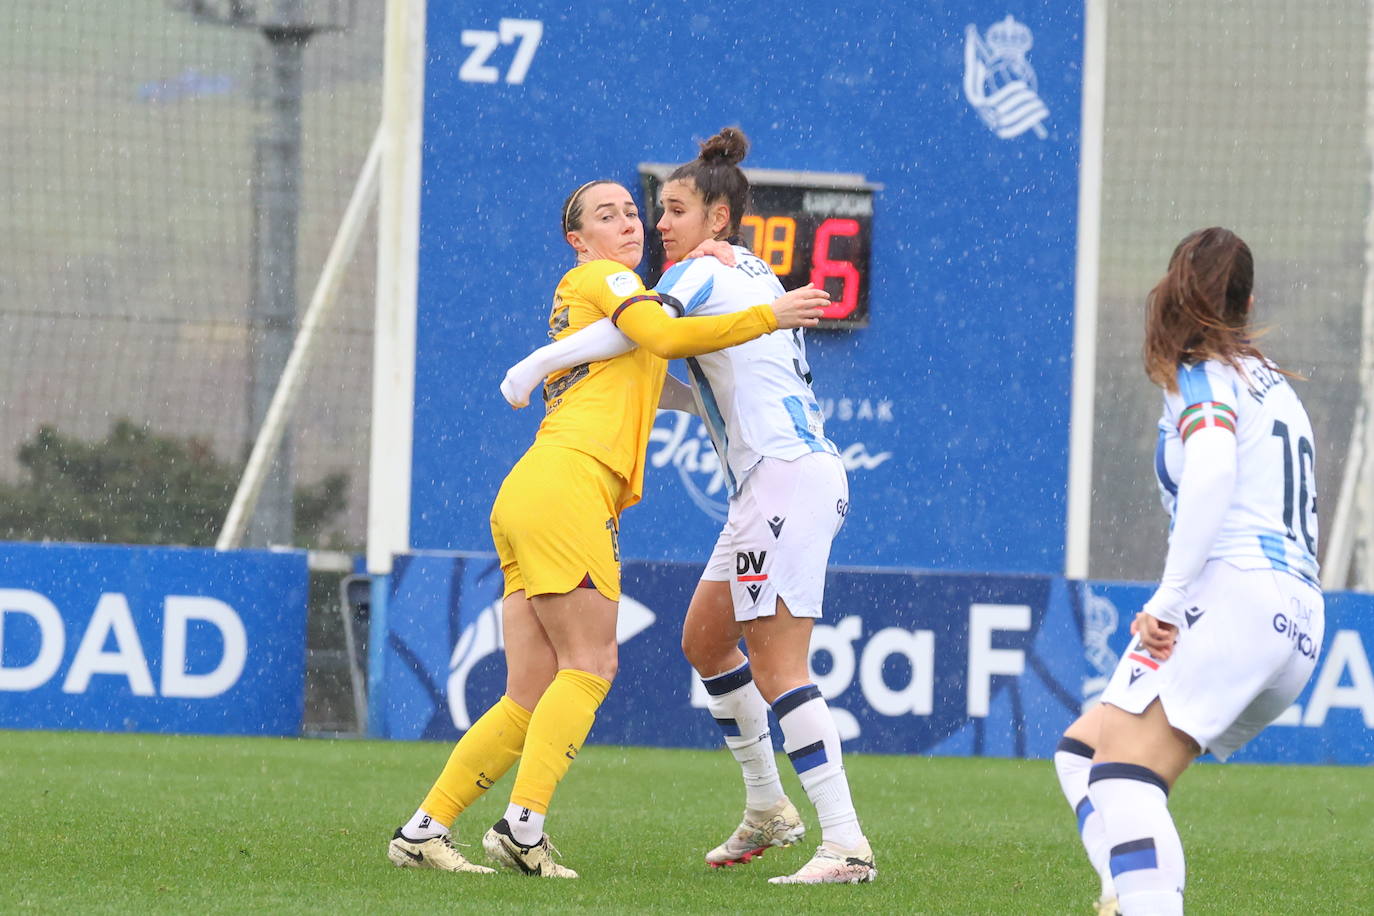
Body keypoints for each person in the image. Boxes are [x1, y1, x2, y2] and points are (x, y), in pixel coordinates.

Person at [385, 179, 830, 878]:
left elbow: (666, 369)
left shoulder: (605, 299)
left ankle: (422, 830)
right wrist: (768, 315)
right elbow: (665, 332)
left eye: (633, 211)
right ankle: (523, 829)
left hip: (531, 490)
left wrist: (539, 363)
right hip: (569, 486)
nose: (629, 221)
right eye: (607, 214)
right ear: (577, 239)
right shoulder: (609, 277)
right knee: (592, 665)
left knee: (527, 694)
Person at [501, 128, 875, 886]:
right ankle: (769, 807)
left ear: (718, 220)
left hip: (785, 478)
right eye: (658, 210)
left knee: (778, 662)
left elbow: (640, 335)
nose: (660, 225)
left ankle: (845, 845)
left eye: (674, 211)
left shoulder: (700, 277)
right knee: (706, 641)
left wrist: (537, 363)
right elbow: (681, 376)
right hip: (769, 484)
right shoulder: (750, 270)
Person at [1051, 227, 1323, 915]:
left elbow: (1212, 472)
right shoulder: (1275, 384)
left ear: (1173, 287)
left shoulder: (1203, 368)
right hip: (1298, 617)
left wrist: (1169, 600)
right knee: (1084, 755)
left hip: (1235, 591)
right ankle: (1124, 890)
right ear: (1249, 299)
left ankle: (1144, 900)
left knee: (1126, 780)